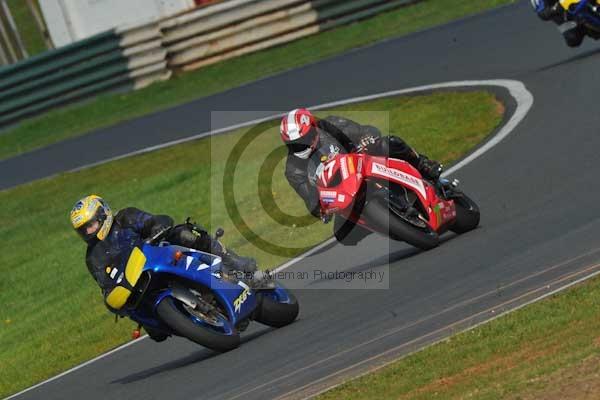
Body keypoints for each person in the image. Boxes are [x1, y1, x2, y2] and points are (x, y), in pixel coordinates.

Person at [69, 195, 260, 341]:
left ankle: (233, 261)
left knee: (185, 233)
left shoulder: (125, 218)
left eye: (90, 225)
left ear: (103, 215)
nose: (88, 232)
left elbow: (153, 221)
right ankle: (174, 319)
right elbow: (105, 284)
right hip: (140, 284)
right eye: (82, 230)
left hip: (160, 255)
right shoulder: (93, 256)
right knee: (152, 329)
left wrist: (156, 230)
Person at [280, 108, 443, 246]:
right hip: (343, 193)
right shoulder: (293, 170)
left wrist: (367, 138)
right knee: (342, 235)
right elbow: (310, 198)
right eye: (295, 144)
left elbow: (366, 131)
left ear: (314, 128)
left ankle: (423, 165)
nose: (301, 146)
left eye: (304, 139)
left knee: (388, 143)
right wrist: (319, 210)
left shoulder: (331, 125)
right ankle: (385, 222)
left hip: (361, 163)